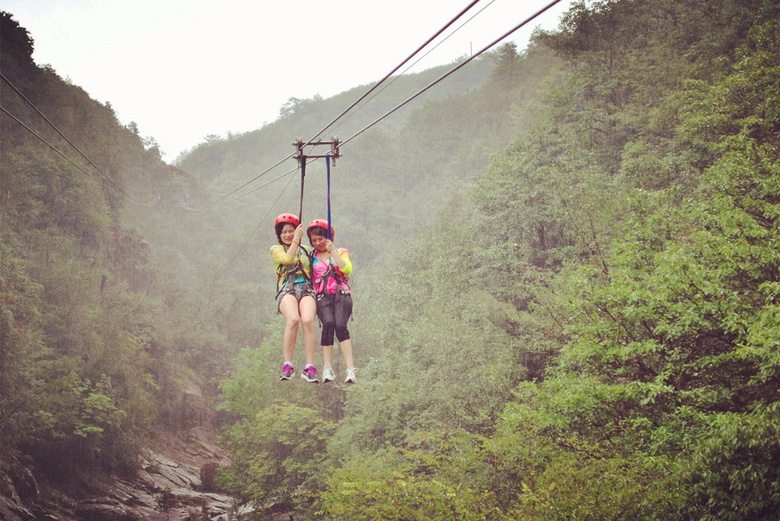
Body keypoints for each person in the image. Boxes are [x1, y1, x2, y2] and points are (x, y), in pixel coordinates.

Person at [270, 213, 319, 383]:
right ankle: (287, 365)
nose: (288, 235)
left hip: (306, 288)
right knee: (293, 319)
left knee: (307, 321)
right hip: (287, 289)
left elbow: (319, 265)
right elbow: (288, 259)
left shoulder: (305, 250)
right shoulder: (276, 250)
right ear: (279, 234)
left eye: (291, 231)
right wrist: (296, 240)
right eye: (284, 232)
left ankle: (309, 367)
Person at [307, 219, 357, 383]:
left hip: (340, 293)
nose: (317, 243)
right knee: (328, 324)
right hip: (323, 295)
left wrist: (333, 251)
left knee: (340, 326)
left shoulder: (341, 251)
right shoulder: (311, 257)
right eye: (314, 240)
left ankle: (350, 369)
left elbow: (346, 268)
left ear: (328, 237)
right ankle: (327, 368)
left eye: (320, 238)